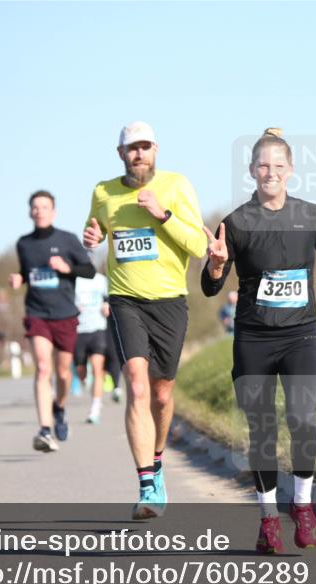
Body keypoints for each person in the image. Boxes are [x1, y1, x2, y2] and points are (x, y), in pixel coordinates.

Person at [201, 128, 316, 554]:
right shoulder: (235, 224)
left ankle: (302, 506)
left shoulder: (312, 214)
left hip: (301, 336)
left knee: (302, 419)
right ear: (251, 170)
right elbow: (211, 290)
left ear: (291, 170)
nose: (271, 172)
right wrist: (215, 266)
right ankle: (268, 519)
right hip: (253, 339)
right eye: (263, 165)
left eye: (278, 165)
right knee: (262, 429)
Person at [83, 121, 207, 519]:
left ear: (156, 150)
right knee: (136, 386)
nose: (139, 154)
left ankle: (157, 458)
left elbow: (200, 245)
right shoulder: (104, 192)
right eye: (131, 148)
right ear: (120, 154)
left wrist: (162, 214)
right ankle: (146, 482)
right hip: (125, 300)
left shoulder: (177, 185)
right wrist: (91, 238)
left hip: (170, 300)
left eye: (145, 147)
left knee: (162, 393)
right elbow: (97, 229)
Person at [9, 190, 95, 452]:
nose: (39, 211)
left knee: (62, 373)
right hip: (37, 314)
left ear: (53, 212)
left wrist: (67, 268)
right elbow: (28, 272)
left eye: (44, 207)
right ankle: (44, 430)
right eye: (35, 207)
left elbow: (89, 271)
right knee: (43, 369)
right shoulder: (23, 244)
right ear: (30, 212)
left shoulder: (67, 240)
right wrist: (19, 279)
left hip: (65, 314)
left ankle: (59, 407)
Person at [72, 262, 111, 424]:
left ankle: (95, 408)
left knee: (97, 369)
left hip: (97, 328)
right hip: (79, 330)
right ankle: (84, 379)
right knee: (81, 371)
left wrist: (106, 306)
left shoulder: (101, 280)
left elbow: (107, 298)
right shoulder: (73, 280)